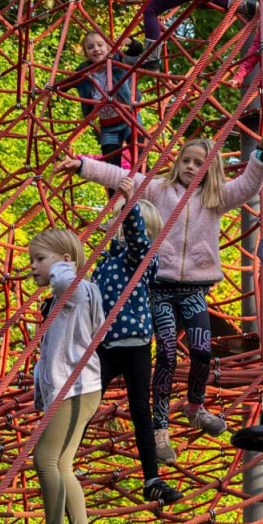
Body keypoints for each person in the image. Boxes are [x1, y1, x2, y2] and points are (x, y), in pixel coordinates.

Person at [67, 138, 263, 464]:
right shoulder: (159, 190)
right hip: (159, 285)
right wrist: (83, 167)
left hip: (194, 288)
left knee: (202, 348)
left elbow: (247, 186)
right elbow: (122, 177)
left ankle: (195, 407)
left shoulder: (215, 198)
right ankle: (160, 429)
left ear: (209, 169)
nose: (189, 167)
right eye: (185, 160)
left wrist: (261, 158)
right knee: (168, 355)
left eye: (197, 163)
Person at [14, 228, 105, 524]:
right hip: (74, 390)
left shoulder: (76, 291)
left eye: (40, 259)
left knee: (45, 458)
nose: (33, 267)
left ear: (65, 262)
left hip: (77, 388)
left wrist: (61, 268)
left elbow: (70, 284)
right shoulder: (60, 302)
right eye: (32, 260)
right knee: (63, 465)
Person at [89, 185, 181, 504]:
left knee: (140, 408)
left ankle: (151, 478)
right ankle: (63, 454)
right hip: (104, 345)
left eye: (130, 225)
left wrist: (129, 205)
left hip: (136, 344)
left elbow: (138, 240)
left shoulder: (144, 259)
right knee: (86, 402)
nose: (126, 230)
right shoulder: (103, 262)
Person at [68, 28, 146, 173]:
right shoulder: (84, 71)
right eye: (90, 47)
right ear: (86, 53)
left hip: (129, 119)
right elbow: (67, 83)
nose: (96, 49)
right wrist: (50, 88)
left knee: (140, 160)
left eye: (100, 45)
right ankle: (115, 196)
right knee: (111, 169)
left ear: (108, 47)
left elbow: (138, 51)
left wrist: (129, 42)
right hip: (108, 127)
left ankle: (147, 192)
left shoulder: (118, 60)